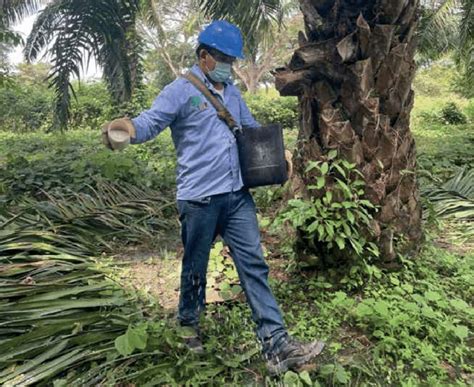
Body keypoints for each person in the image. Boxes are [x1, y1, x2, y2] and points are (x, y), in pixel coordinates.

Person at [102, 20, 324, 375]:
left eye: (233, 60)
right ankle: (188, 324)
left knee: (254, 266)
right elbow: (149, 122)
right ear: (203, 57)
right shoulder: (180, 90)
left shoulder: (233, 93)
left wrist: (279, 155)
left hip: (236, 196)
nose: (229, 66)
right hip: (199, 199)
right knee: (195, 268)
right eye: (223, 58)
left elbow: (249, 129)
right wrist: (124, 129)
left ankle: (277, 346)